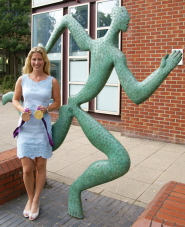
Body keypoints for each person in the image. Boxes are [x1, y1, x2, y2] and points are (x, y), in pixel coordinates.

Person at [42, 6, 182, 219]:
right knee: (119, 160)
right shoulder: (112, 52)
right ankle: (74, 190)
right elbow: (136, 94)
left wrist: (43, 50)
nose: (128, 22)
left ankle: (71, 188)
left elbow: (67, 20)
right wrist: (164, 71)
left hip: (73, 107)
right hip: (74, 108)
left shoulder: (100, 47)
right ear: (118, 20)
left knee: (50, 144)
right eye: (126, 18)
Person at [12, 46, 61, 220]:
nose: (37, 62)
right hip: (26, 127)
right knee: (26, 169)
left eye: (40, 59)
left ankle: (36, 200)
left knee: (40, 167)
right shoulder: (22, 79)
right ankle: (30, 198)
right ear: (29, 61)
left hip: (41, 128)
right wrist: (21, 109)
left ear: (44, 61)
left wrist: (47, 109)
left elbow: (57, 103)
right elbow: (15, 99)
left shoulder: (52, 81)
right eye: (34, 59)